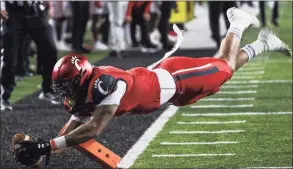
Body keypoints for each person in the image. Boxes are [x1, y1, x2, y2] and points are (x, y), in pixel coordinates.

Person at [13, 8, 291, 166]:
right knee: (221, 72)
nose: (65, 92)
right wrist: (40, 151)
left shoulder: (104, 84)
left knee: (224, 68)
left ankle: (239, 22)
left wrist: (45, 145)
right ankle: (263, 43)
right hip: (165, 88)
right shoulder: (83, 90)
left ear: (83, 77)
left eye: (68, 85)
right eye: (62, 86)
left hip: (175, 80)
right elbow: (69, 136)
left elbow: (92, 129)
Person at [0, 1, 59, 111]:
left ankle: (48, 89)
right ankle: (4, 96)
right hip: (13, 12)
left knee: (50, 50)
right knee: (10, 56)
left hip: (36, 10)